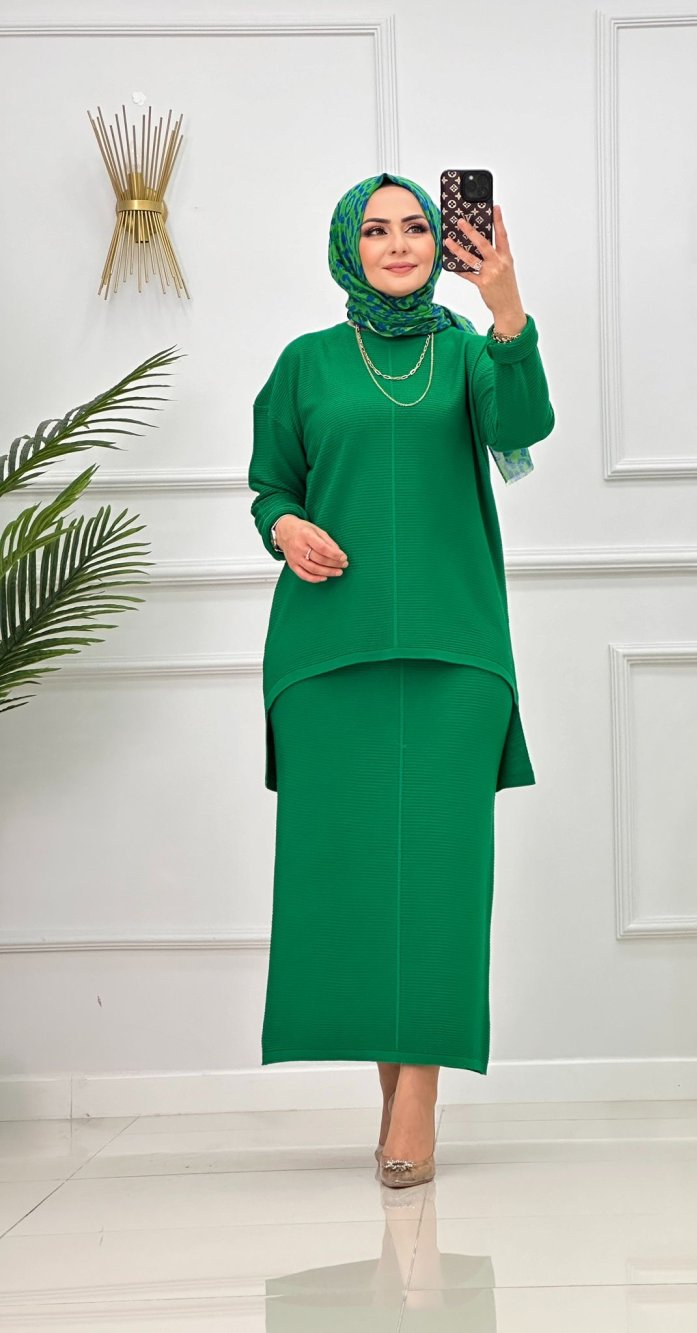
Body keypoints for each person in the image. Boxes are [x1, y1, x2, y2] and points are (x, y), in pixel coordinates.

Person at [247, 172, 555, 1189]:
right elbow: (271, 486)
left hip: (455, 648)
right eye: (375, 229)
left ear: (439, 242)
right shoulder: (305, 363)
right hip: (326, 655)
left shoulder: (466, 353)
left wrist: (505, 306)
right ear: (349, 247)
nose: (397, 243)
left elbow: (523, 424)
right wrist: (286, 529)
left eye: (416, 225)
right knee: (355, 882)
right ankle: (394, 1092)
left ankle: (417, 1094)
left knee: (438, 878)